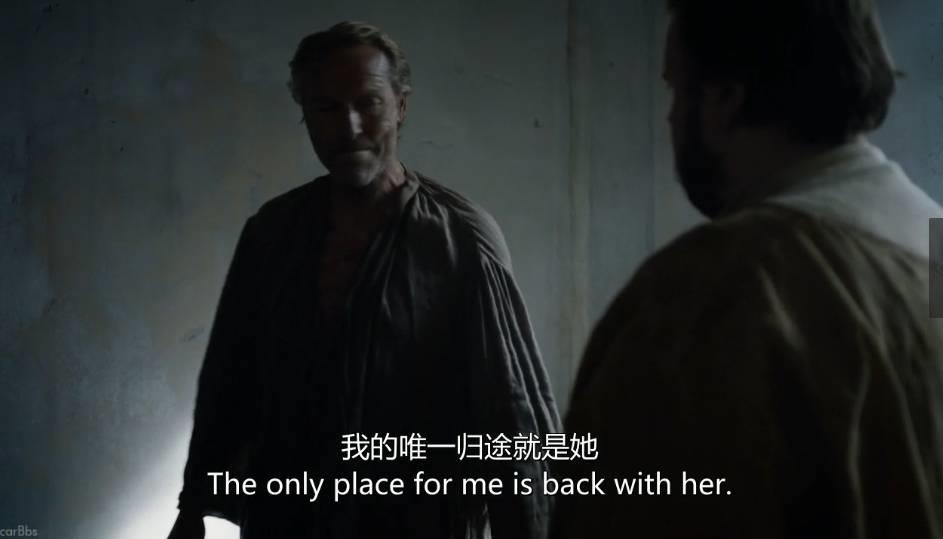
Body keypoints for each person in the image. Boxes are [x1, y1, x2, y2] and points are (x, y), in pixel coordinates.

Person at [552, 1, 943, 537]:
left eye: (676, 90)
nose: (670, 117)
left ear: (722, 100)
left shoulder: (722, 282)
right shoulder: (931, 238)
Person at [167, 21, 560, 539]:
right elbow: (229, 377)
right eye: (326, 108)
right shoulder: (272, 233)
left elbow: (509, 410)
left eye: (368, 103)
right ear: (306, 115)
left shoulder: (461, 239)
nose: (349, 127)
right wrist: (193, 506)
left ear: (400, 105)